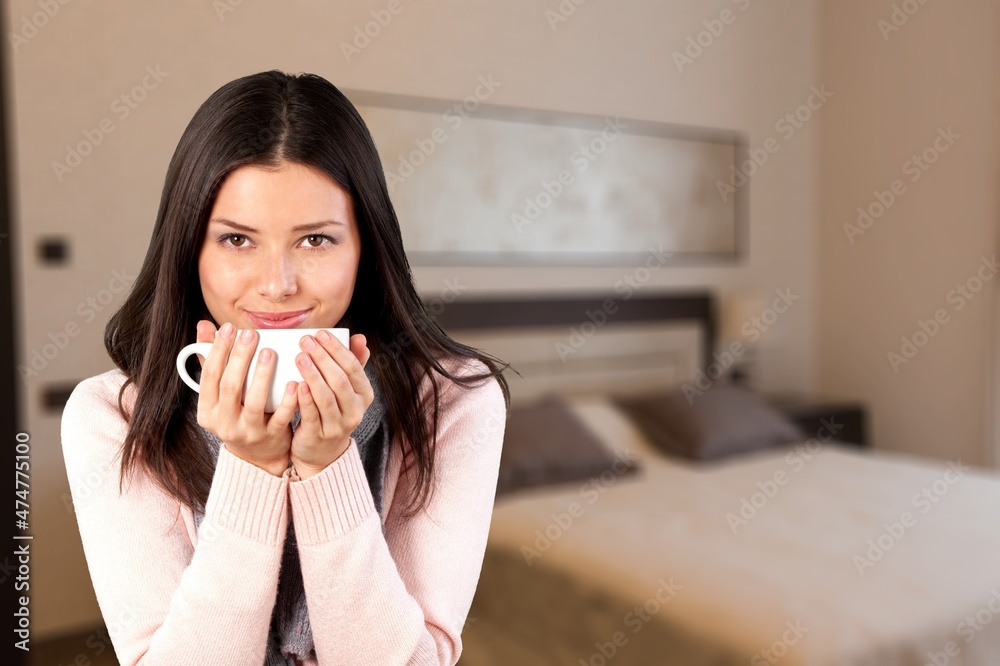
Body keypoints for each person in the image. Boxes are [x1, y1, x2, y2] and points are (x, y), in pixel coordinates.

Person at [60, 70, 510, 666]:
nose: (277, 285)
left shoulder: (453, 401)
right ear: (190, 248)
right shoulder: (112, 417)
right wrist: (251, 467)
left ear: (365, 247)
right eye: (237, 241)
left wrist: (328, 467)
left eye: (316, 240)